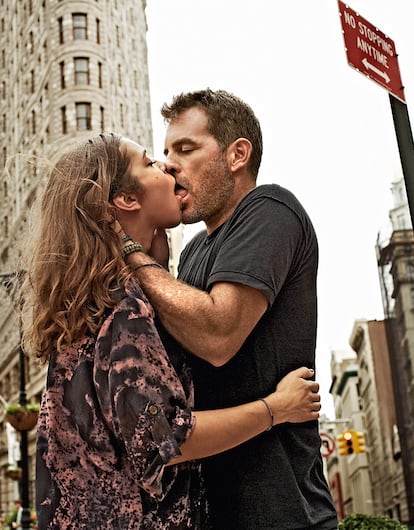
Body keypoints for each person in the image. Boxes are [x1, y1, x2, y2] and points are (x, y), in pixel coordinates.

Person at [20, 132, 321, 529]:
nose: (166, 166)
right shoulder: (122, 306)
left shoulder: (102, 297)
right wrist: (277, 409)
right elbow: (165, 438)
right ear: (127, 199)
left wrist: (148, 251)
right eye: (149, 162)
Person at [120, 88, 339, 529]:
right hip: (210, 510)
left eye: (186, 148)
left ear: (237, 154)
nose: (168, 164)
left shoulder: (269, 209)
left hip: (282, 511)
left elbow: (217, 336)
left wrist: (129, 251)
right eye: (164, 152)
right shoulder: (196, 248)